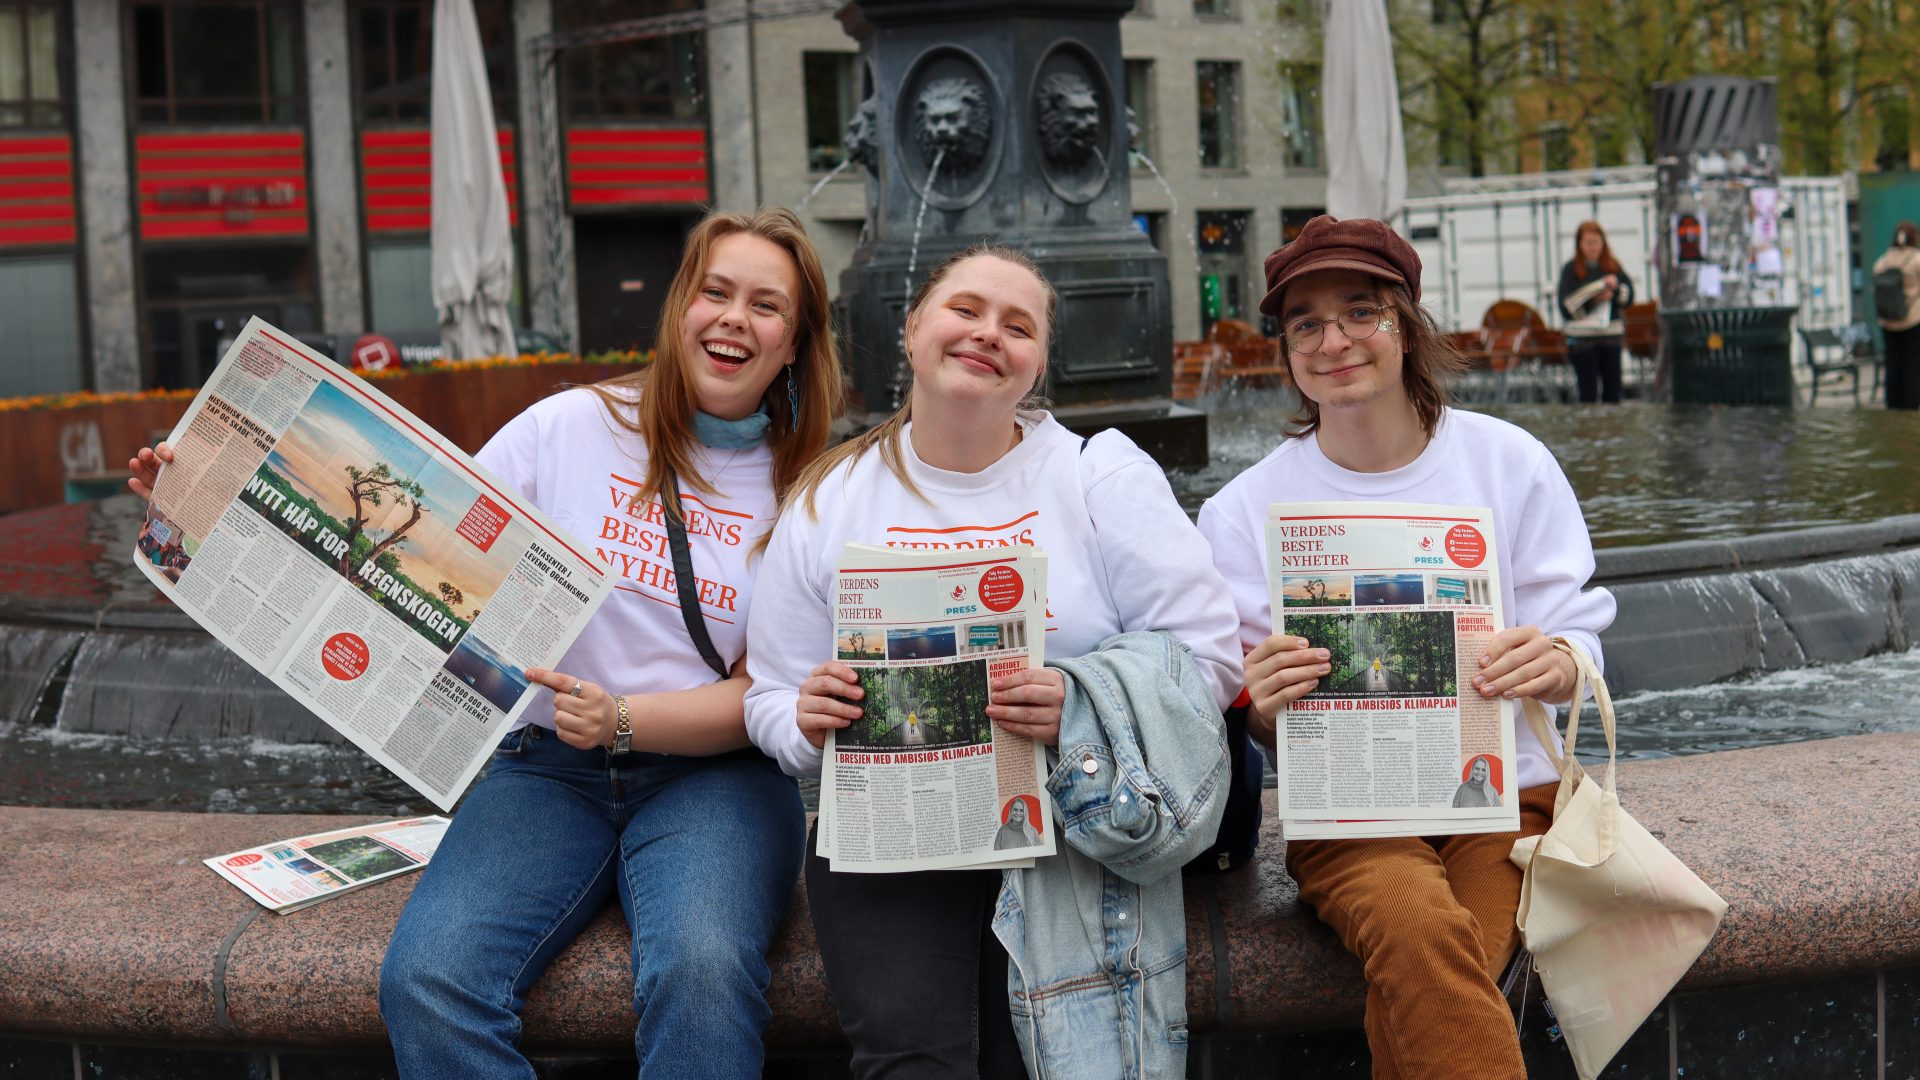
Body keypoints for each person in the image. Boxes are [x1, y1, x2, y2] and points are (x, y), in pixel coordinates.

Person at [132, 207, 845, 1078]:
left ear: (794, 342)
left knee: (702, 972)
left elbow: (769, 689)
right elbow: (418, 541)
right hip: (546, 770)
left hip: (718, 782)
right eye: (716, 291)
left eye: (766, 306)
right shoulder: (567, 427)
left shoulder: (810, 488)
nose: (735, 317)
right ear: (680, 309)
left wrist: (625, 717)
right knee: (429, 980)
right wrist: (206, 500)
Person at [742, 245, 1243, 1079]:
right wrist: (803, 717)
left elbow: (1207, 662)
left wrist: (1078, 702)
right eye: (965, 310)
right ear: (912, 329)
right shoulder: (831, 496)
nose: (987, 335)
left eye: (1018, 326)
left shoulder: (1099, 474)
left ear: (1039, 362)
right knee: (910, 1068)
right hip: (890, 844)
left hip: (1068, 826)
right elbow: (768, 698)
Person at [1197, 215, 1616, 1080]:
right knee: (1421, 928)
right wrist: (1262, 705)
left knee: (1450, 952)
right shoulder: (1242, 510)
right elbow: (1245, 715)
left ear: (1406, 325)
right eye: (1305, 322)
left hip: (1504, 804)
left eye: (1361, 311)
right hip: (1351, 817)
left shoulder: (1509, 461)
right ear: (1285, 347)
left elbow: (1578, 631)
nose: (1334, 340)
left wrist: (1561, 660)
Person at [1556, 220, 1635, 404]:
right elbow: (1566, 308)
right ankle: (1589, 430)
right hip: (1583, 341)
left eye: (1596, 242)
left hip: (1611, 337)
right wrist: (1594, 299)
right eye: (1588, 243)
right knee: (1588, 393)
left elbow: (1629, 298)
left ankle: (1612, 430)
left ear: (1603, 243)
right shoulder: (1571, 270)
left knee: (1613, 393)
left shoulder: (1613, 266)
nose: (1593, 248)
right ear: (1579, 245)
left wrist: (1613, 292)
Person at [1873, 220, 1920, 410]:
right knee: (1913, 362)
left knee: (1892, 362)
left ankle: (1893, 403)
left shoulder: (1883, 260)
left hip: (1888, 320)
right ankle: (1911, 403)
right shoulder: (1916, 258)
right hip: (1913, 319)